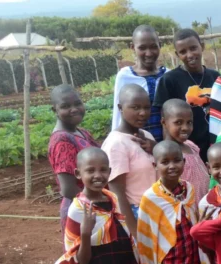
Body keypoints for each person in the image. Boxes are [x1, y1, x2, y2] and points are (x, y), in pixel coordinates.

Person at [153, 29, 220, 161]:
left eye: (193, 48)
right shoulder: (169, 80)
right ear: (177, 54)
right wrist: (172, 156)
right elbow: (165, 123)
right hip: (187, 152)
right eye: (183, 52)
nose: (189, 55)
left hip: (215, 149)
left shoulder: (215, 77)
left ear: (202, 46)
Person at [102, 85, 157, 234]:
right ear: (120, 107)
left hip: (157, 211)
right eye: (135, 107)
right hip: (137, 214)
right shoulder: (116, 144)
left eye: (147, 107)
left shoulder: (147, 136)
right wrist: (134, 233)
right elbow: (117, 194)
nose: (142, 113)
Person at [48, 85, 101, 228]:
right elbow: (68, 189)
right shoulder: (62, 141)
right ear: (55, 110)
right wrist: (99, 204)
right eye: (65, 106)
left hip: (91, 207)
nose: (74, 109)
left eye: (78, 103)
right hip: (81, 213)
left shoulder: (81, 132)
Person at [111, 25, 166, 139]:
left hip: (167, 147)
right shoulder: (125, 76)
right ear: (133, 47)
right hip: (137, 143)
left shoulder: (168, 76)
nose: (149, 53)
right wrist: (116, 139)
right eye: (142, 48)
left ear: (159, 46)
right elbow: (118, 114)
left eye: (153, 47)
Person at [162, 99, 211, 201]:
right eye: (178, 122)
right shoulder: (165, 154)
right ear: (164, 122)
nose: (185, 127)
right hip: (187, 211)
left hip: (204, 207)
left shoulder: (191, 145)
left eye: (189, 122)